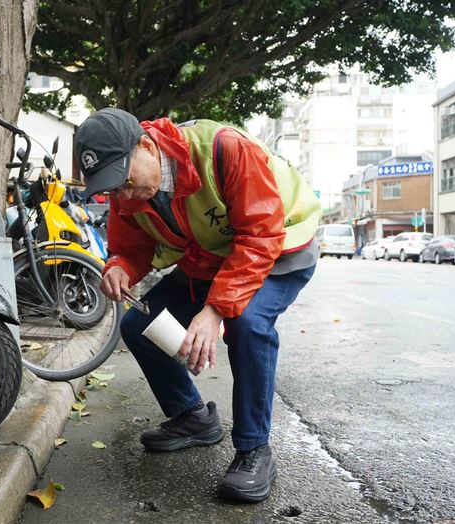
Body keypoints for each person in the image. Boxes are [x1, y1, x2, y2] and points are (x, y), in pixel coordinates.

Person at [74, 108, 321, 503]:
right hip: (212, 256)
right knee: (138, 325)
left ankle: (254, 449)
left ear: (145, 145)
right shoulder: (128, 193)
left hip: (279, 244)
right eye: (112, 188)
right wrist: (119, 267)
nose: (123, 194)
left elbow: (260, 235)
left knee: (248, 323)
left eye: (124, 180)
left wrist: (216, 310)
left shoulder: (224, 148)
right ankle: (193, 418)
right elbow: (130, 249)